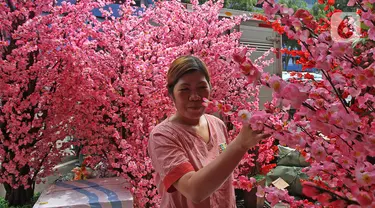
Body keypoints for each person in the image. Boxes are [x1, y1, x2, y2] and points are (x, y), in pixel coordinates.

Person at [148, 55, 269, 208]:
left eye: (202, 87)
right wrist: (240, 144)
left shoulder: (217, 124)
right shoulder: (163, 136)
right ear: (171, 94)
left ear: (210, 88)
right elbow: (194, 191)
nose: (195, 97)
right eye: (184, 89)